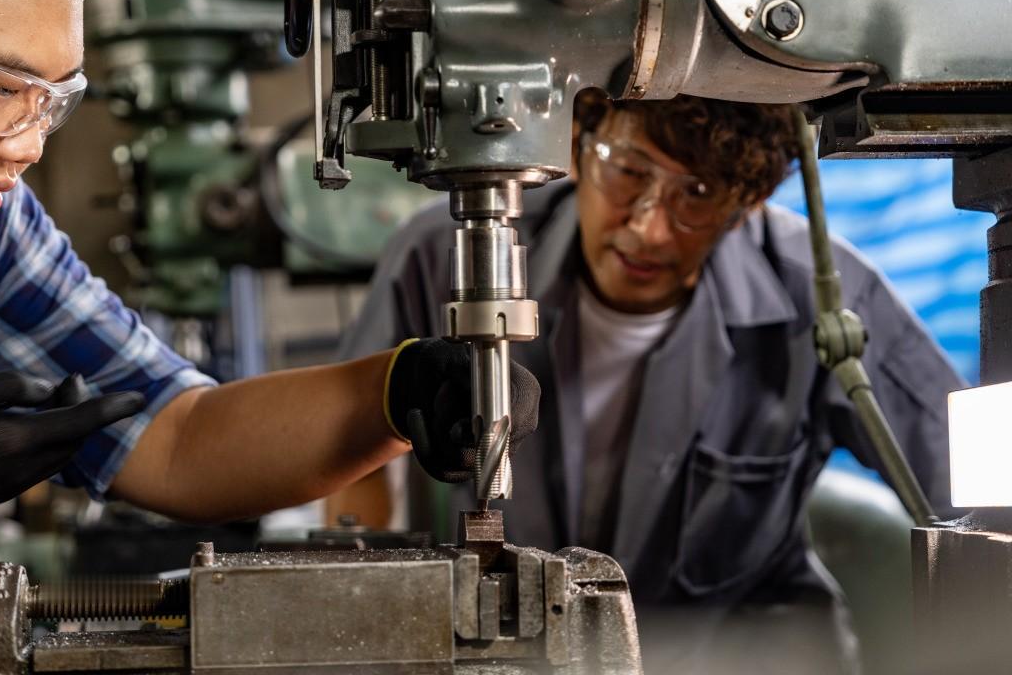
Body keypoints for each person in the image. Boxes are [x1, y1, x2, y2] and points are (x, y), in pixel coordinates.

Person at [0, 0, 539, 672]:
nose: (28, 145)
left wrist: (393, 396)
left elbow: (177, 436)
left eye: (53, 104)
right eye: (1, 89)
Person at [337, 90, 961, 674]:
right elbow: (351, 451)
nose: (648, 227)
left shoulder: (824, 295)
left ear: (744, 205)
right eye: (630, 172)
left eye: (696, 192)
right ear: (578, 143)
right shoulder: (450, 256)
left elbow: (961, 474)